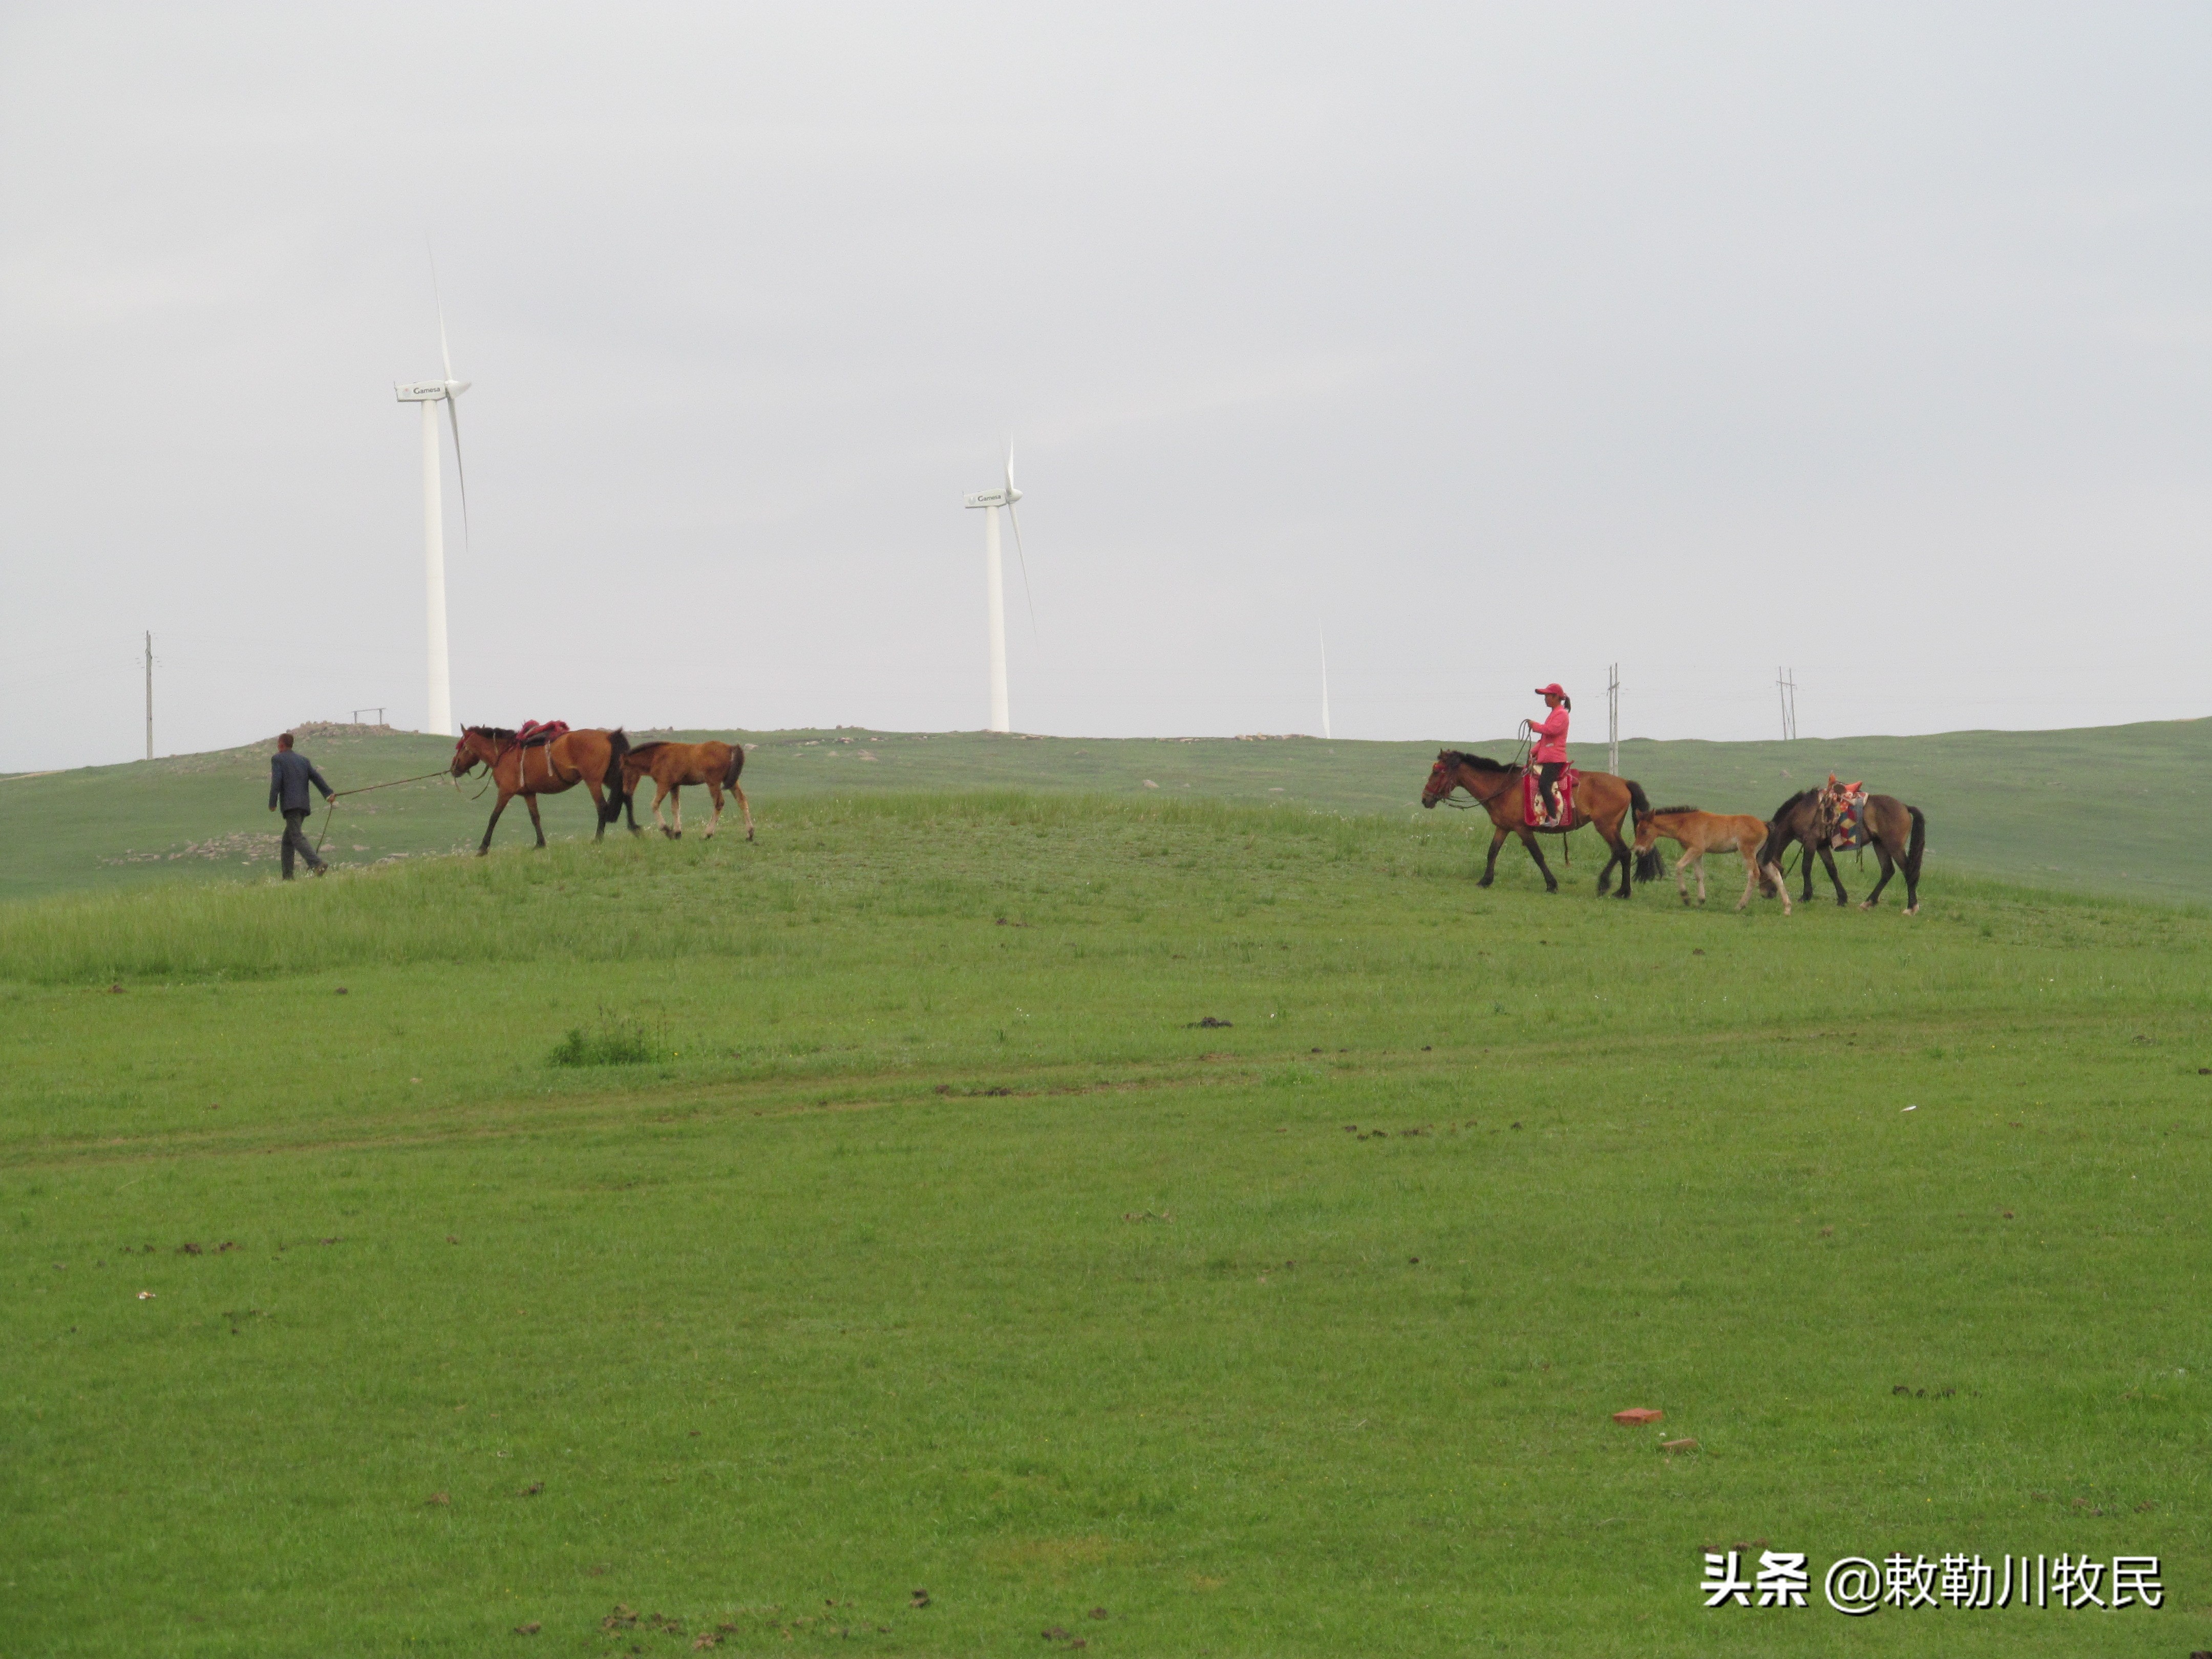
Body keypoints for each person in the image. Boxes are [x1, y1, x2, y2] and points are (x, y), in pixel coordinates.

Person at [268, 731, 335, 879]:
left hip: (291, 806)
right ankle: (288, 878)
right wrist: (328, 794)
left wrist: (272, 802)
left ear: (280, 744)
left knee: (296, 836)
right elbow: (316, 777)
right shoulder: (303, 761)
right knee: (288, 840)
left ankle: (317, 864)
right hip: (303, 806)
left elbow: (276, 782)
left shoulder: (277, 759)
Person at [1529, 684, 1571, 823]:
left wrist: (1535, 726)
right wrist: (1533, 752)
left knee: (1544, 784)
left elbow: (1551, 730)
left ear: (1556, 697)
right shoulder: (1554, 714)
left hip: (1555, 760)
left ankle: (1553, 817)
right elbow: (1546, 738)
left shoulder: (1562, 714)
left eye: (1547, 696)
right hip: (1548, 758)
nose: (1545, 699)